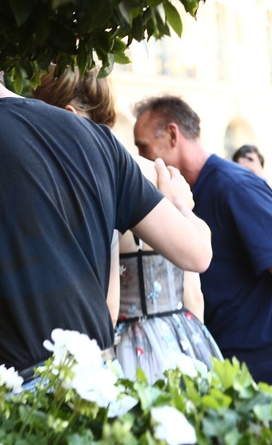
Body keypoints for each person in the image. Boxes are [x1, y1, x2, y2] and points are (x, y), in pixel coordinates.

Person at [0, 71, 213, 386]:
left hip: (17, 404)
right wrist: (180, 203)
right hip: (101, 391)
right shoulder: (98, 139)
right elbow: (196, 254)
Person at [132, 95, 272, 428]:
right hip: (226, 362)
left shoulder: (235, 187)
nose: (141, 158)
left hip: (266, 364)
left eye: (144, 147)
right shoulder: (185, 192)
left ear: (173, 135)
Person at [32, 66, 222, 382]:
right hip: (185, 338)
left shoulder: (92, 184)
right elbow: (194, 293)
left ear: (68, 115)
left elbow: (109, 304)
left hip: (128, 350)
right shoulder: (162, 175)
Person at [232, 144, 272, 221]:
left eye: (250, 160)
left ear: (261, 164)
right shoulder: (235, 200)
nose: (246, 165)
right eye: (241, 163)